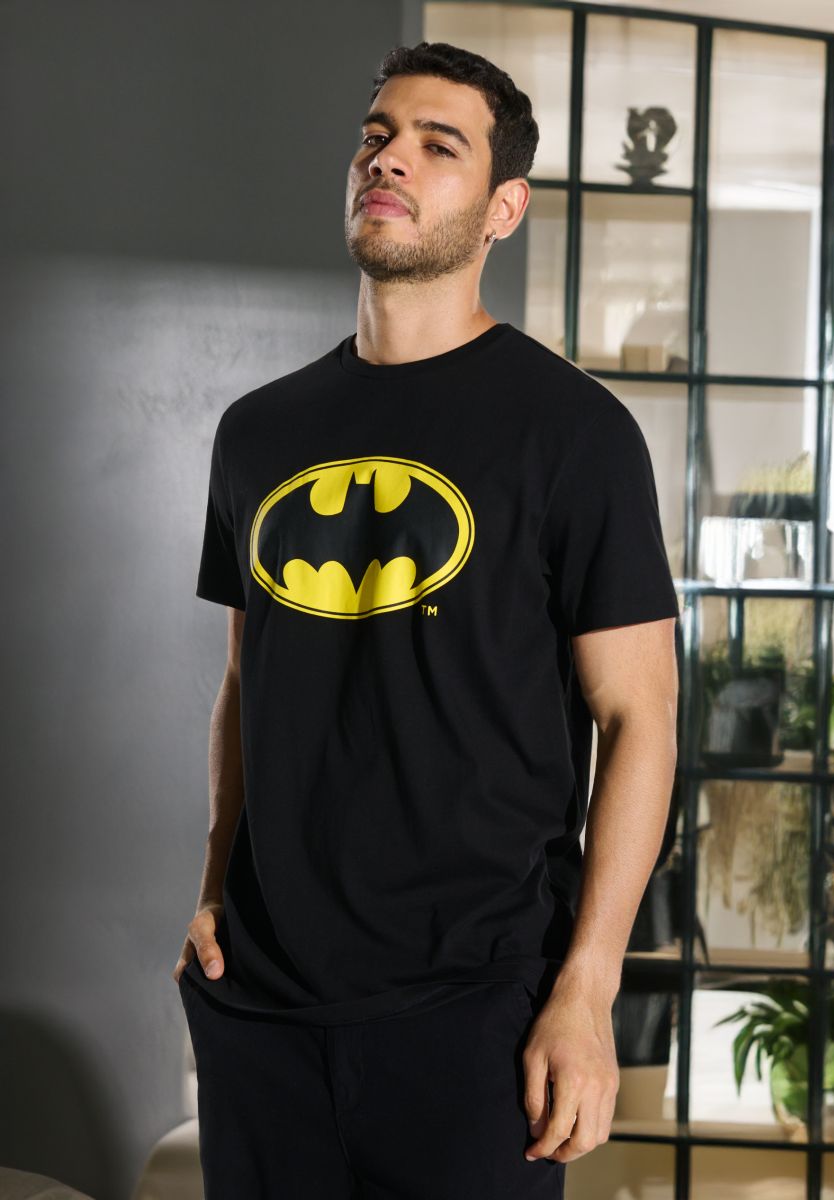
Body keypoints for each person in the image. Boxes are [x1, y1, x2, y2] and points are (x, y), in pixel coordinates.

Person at [172, 40, 680, 1200]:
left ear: (504, 208)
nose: (389, 158)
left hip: (477, 1006)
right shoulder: (258, 432)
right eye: (377, 135)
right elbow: (248, 682)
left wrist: (588, 987)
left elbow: (639, 719)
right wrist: (210, 885)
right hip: (262, 1006)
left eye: (437, 144)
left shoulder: (577, 433)